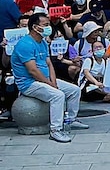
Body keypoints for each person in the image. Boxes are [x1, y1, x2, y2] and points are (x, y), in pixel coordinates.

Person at [11, 13, 87, 143]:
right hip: (29, 84)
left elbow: (49, 63)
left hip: (45, 80)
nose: (49, 27)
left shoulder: (43, 42)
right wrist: (50, 84)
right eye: (45, 25)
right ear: (35, 27)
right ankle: (55, 130)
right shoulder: (25, 44)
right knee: (58, 95)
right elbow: (33, 70)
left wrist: (53, 81)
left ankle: (70, 120)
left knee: (74, 90)